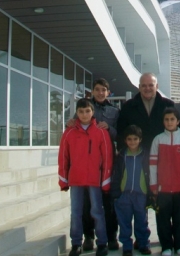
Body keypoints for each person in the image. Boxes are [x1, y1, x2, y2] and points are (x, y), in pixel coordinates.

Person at [66, 78, 120, 251]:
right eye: (97, 89)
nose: (100, 92)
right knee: (87, 205)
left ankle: (110, 236)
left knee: (108, 202)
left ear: (108, 92)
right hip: (86, 166)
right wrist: (70, 123)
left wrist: (109, 129)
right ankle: (88, 236)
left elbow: (121, 133)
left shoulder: (115, 111)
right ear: (93, 91)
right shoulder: (85, 107)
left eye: (103, 90)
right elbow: (76, 128)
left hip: (107, 163)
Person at [58, 98, 113, 256]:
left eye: (87, 111)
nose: (84, 114)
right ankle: (76, 243)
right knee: (76, 212)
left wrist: (106, 180)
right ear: (77, 112)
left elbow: (107, 157)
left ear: (93, 112)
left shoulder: (101, 132)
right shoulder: (69, 132)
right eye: (81, 111)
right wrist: (63, 179)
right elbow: (63, 157)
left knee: (97, 211)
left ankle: (102, 243)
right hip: (76, 179)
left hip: (95, 180)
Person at [149, 108, 180, 256]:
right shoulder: (158, 139)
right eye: (166, 119)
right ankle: (166, 246)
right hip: (162, 189)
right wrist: (154, 186)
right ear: (163, 122)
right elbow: (153, 165)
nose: (169, 122)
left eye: (172, 119)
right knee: (163, 220)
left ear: (178, 121)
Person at [110, 125, 152, 256]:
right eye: (129, 139)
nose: (132, 142)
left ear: (140, 139)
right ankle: (127, 246)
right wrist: (116, 193)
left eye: (135, 139)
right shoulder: (121, 156)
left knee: (142, 221)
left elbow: (150, 173)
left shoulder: (145, 154)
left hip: (141, 194)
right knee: (124, 221)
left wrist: (150, 192)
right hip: (125, 195)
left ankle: (143, 243)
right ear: (125, 140)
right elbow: (116, 175)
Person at [116, 72, 174, 152]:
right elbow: (121, 131)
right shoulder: (128, 106)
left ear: (157, 86)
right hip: (137, 154)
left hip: (163, 152)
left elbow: (175, 129)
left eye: (151, 85)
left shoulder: (168, 105)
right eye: (144, 85)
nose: (147, 88)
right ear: (139, 87)